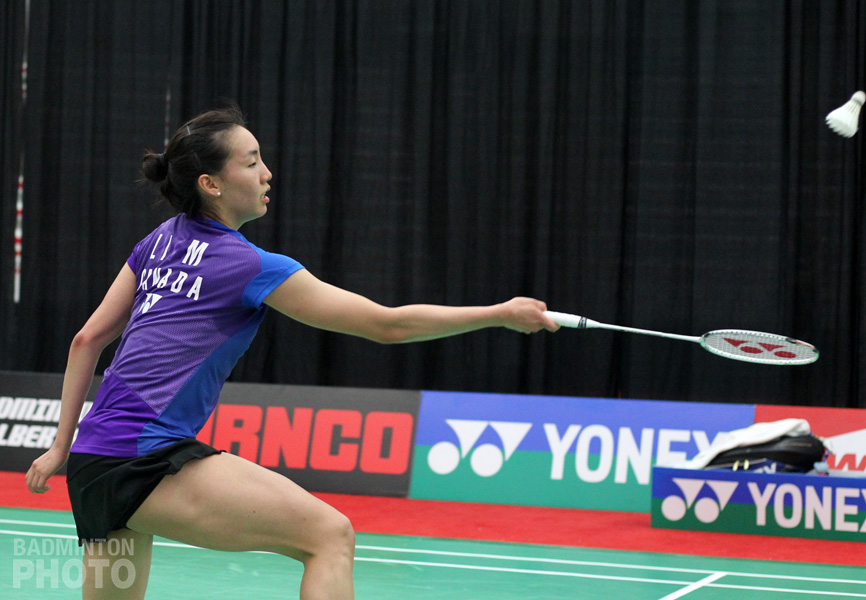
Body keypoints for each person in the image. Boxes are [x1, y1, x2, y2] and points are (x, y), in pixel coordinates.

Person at [24, 104, 558, 599]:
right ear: (211, 184)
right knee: (329, 535)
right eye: (251, 161)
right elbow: (388, 326)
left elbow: (86, 340)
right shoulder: (250, 266)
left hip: (93, 462)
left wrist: (59, 447)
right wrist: (499, 313)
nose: (267, 173)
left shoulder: (159, 240)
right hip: (145, 458)